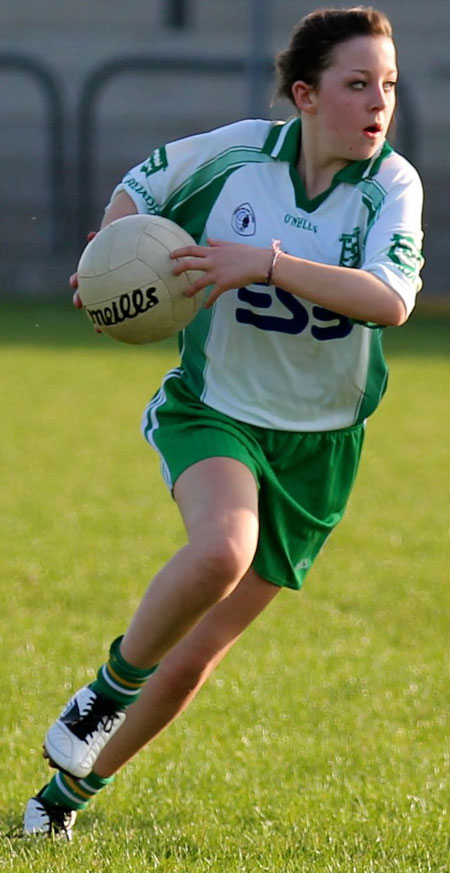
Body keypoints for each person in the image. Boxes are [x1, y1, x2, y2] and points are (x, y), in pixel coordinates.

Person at [24, 5, 424, 840]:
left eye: (387, 84)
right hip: (217, 410)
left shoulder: (391, 185)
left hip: (319, 448)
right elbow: (141, 183)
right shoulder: (240, 155)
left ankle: (55, 806)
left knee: (194, 662)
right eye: (358, 84)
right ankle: (105, 689)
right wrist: (113, 253)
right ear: (306, 96)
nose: (378, 103)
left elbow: (390, 301)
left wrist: (268, 263)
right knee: (221, 547)